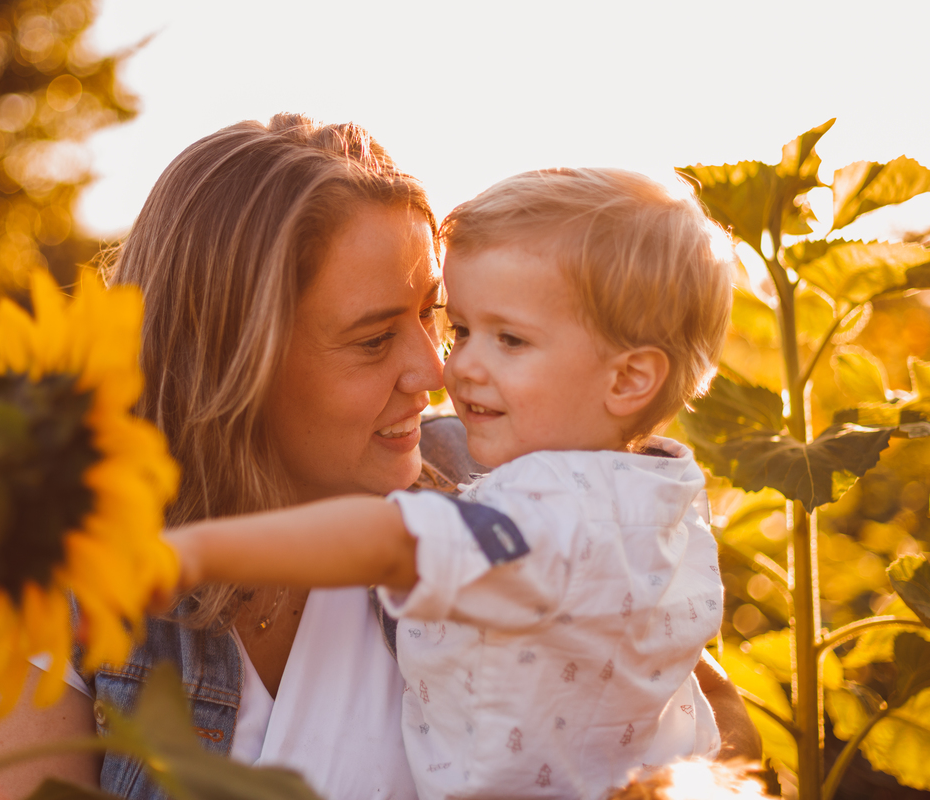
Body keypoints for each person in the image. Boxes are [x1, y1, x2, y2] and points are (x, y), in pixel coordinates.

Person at [0, 117, 760, 800]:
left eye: (432, 317)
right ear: (232, 362)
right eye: (375, 339)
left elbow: (719, 734)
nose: (436, 371)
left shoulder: (505, 481)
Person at [167, 168, 737, 800]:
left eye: (510, 340)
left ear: (629, 380)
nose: (453, 367)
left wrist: (197, 550)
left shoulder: (554, 515)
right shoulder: (659, 492)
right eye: (461, 328)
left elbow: (388, 541)